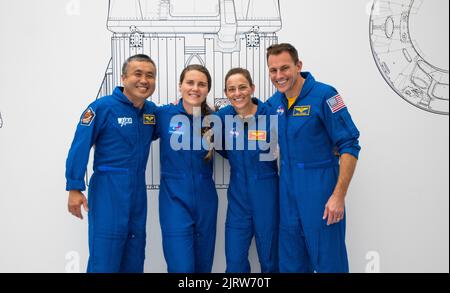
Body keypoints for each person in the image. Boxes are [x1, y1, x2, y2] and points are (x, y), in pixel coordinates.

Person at [265, 43, 361, 273]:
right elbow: (248, 114)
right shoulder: (274, 103)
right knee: (291, 263)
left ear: (298, 66)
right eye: (273, 70)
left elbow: (349, 145)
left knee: (329, 262)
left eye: (284, 68)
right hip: (287, 193)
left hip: (320, 192)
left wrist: (338, 196)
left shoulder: (325, 95)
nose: (279, 76)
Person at [65, 54, 158, 273]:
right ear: (124, 78)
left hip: (137, 191)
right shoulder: (102, 108)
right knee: (105, 259)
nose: (144, 80)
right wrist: (74, 186)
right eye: (138, 74)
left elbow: (168, 125)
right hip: (108, 189)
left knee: (134, 256)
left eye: (150, 75)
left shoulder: (151, 112)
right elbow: (80, 145)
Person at [154, 64, 218, 273]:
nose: (195, 88)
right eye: (190, 83)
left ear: (207, 89)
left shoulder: (215, 119)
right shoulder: (163, 114)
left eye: (202, 84)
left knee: (203, 266)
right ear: (180, 85)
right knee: (181, 267)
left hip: (206, 199)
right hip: (174, 199)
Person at [216, 68, 279, 273]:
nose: (237, 93)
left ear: (252, 88)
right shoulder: (222, 117)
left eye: (242, 87)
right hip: (238, 199)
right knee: (234, 263)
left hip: (267, 194)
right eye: (231, 89)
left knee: (270, 261)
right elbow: (202, 131)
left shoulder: (270, 115)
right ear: (226, 93)